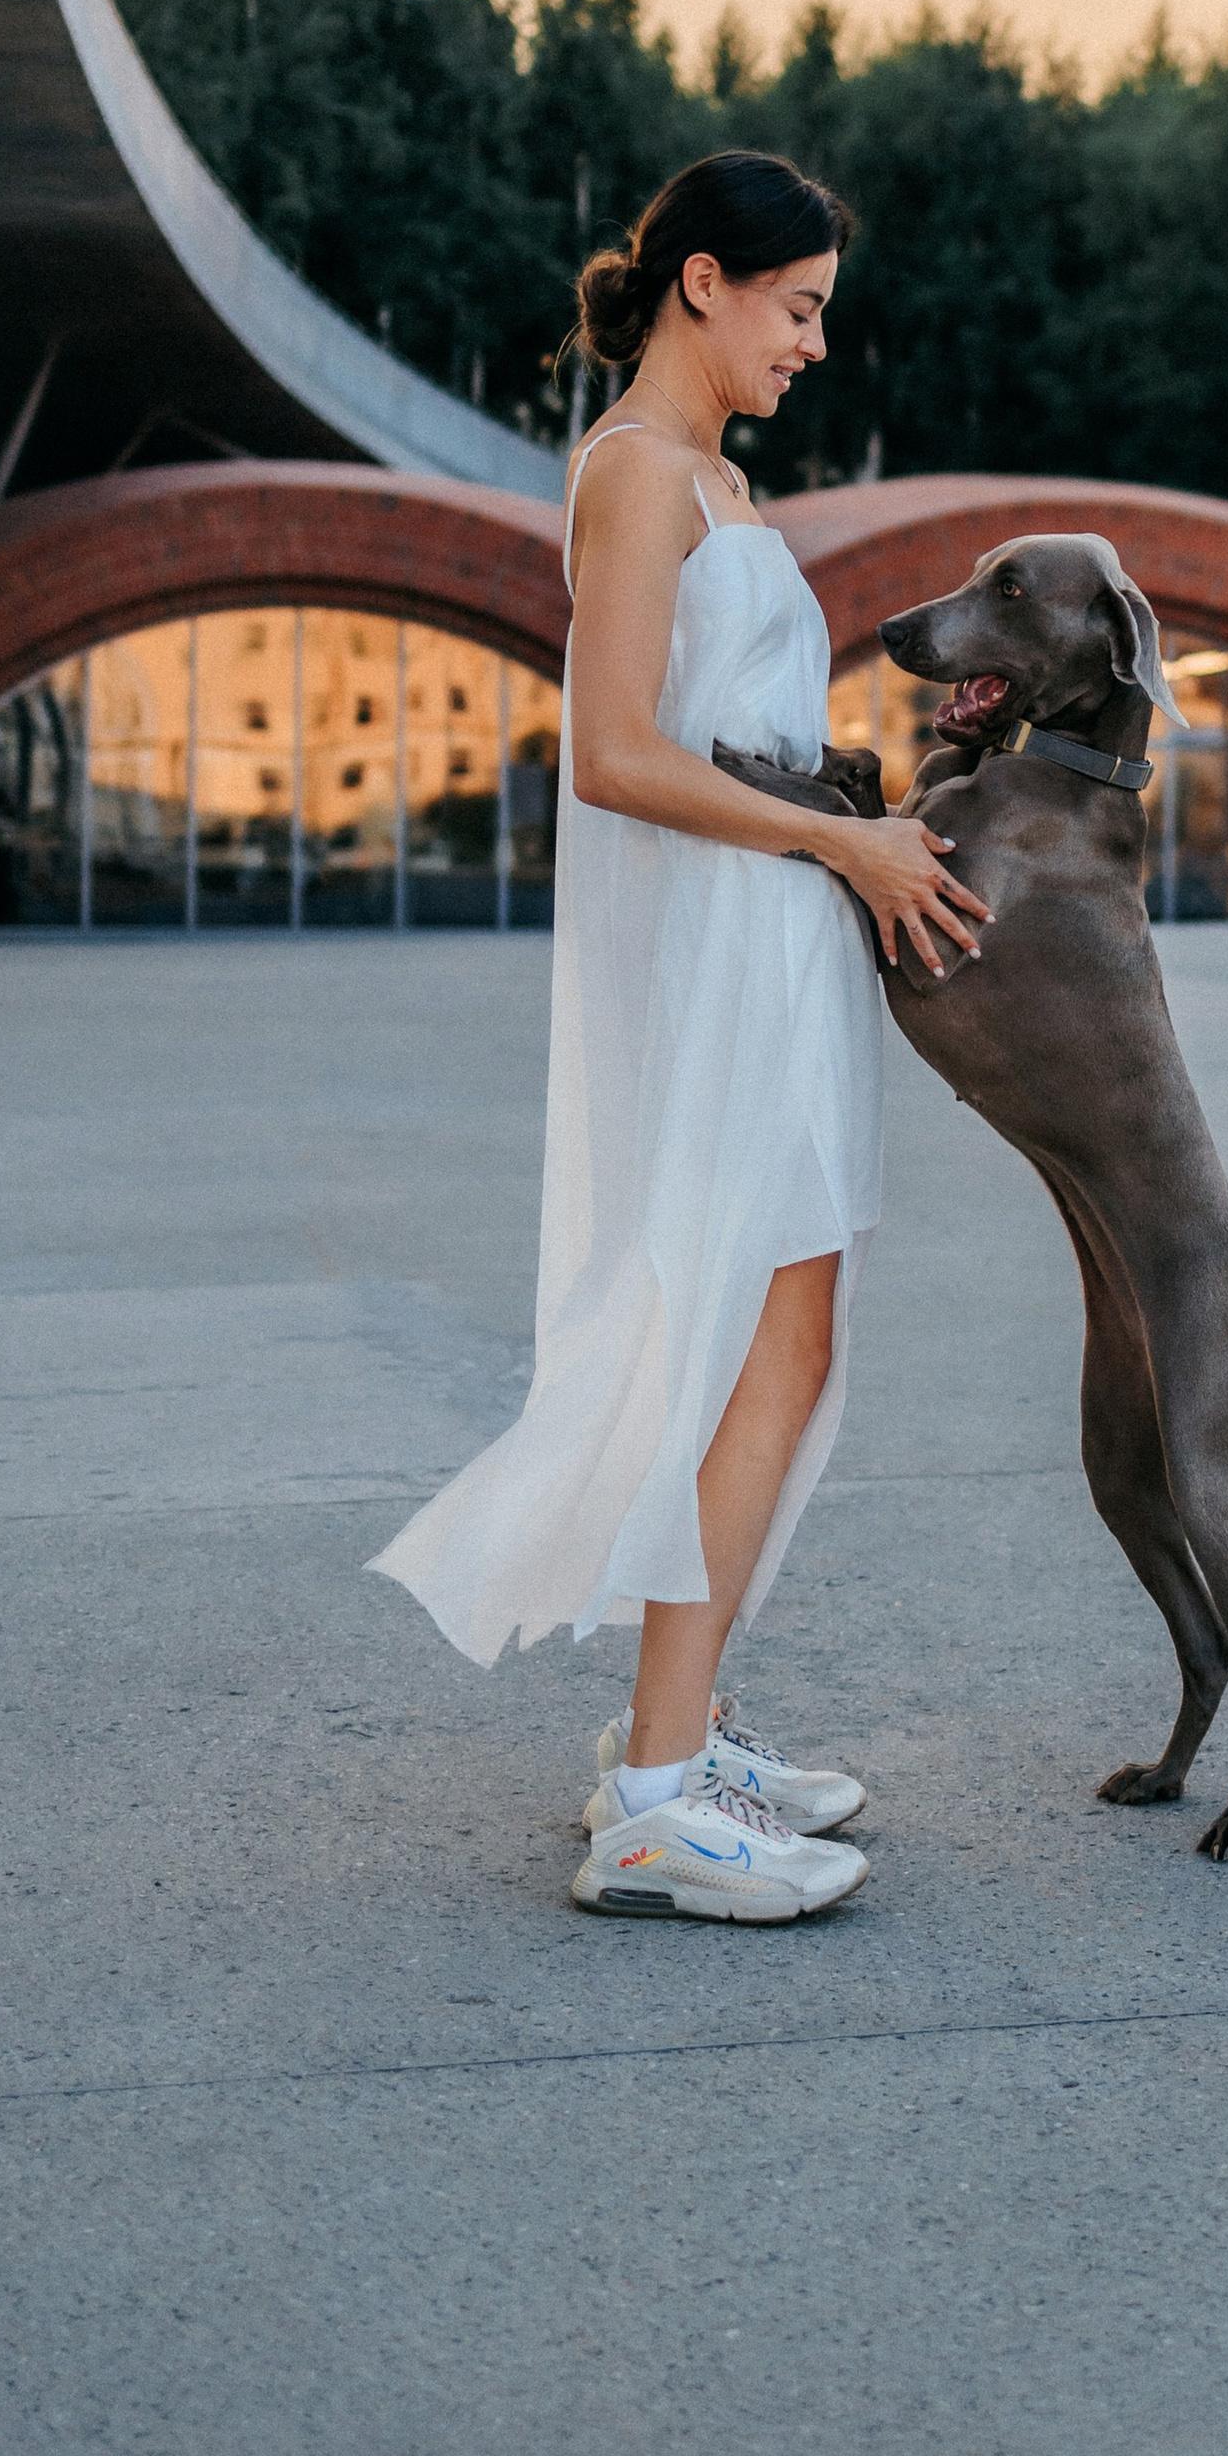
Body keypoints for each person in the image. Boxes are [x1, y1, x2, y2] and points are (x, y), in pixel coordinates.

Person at [369, 152, 989, 1924]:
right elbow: (616, 754)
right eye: (798, 308)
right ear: (701, 280)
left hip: (776, 937)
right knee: (743, 1344)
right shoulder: (639, 470)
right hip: (728, 950)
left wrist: (862, 815)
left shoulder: (716, 477)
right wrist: (839, 846)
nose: (814, 346)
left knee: (783, 1336)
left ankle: (680, 1731)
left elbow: (737, 728)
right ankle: (653, 1796)